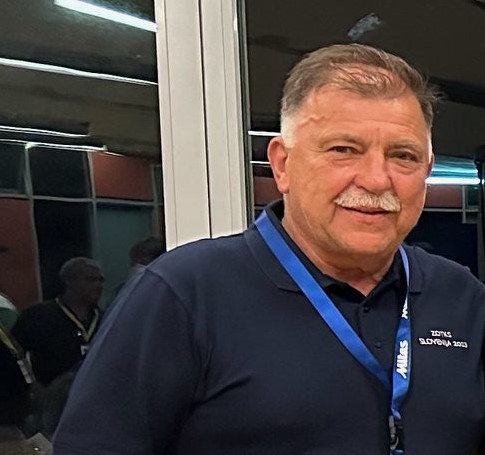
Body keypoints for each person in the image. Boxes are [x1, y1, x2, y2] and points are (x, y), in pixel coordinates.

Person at [52, 44, 485, 455]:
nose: (376, 179)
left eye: (403, 156)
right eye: (343, 150)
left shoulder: (460, 297)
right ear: (282, 164)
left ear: (426, 171)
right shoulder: (183, 295)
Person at [12, 257, 104, 387]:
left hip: (97, 392)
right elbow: (14, 355)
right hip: (50, 392)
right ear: (69, 281)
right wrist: (31, 384)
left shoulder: (106, 319)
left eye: (101, 280)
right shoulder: (38, 316)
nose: (99, 285)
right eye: (91, 280)